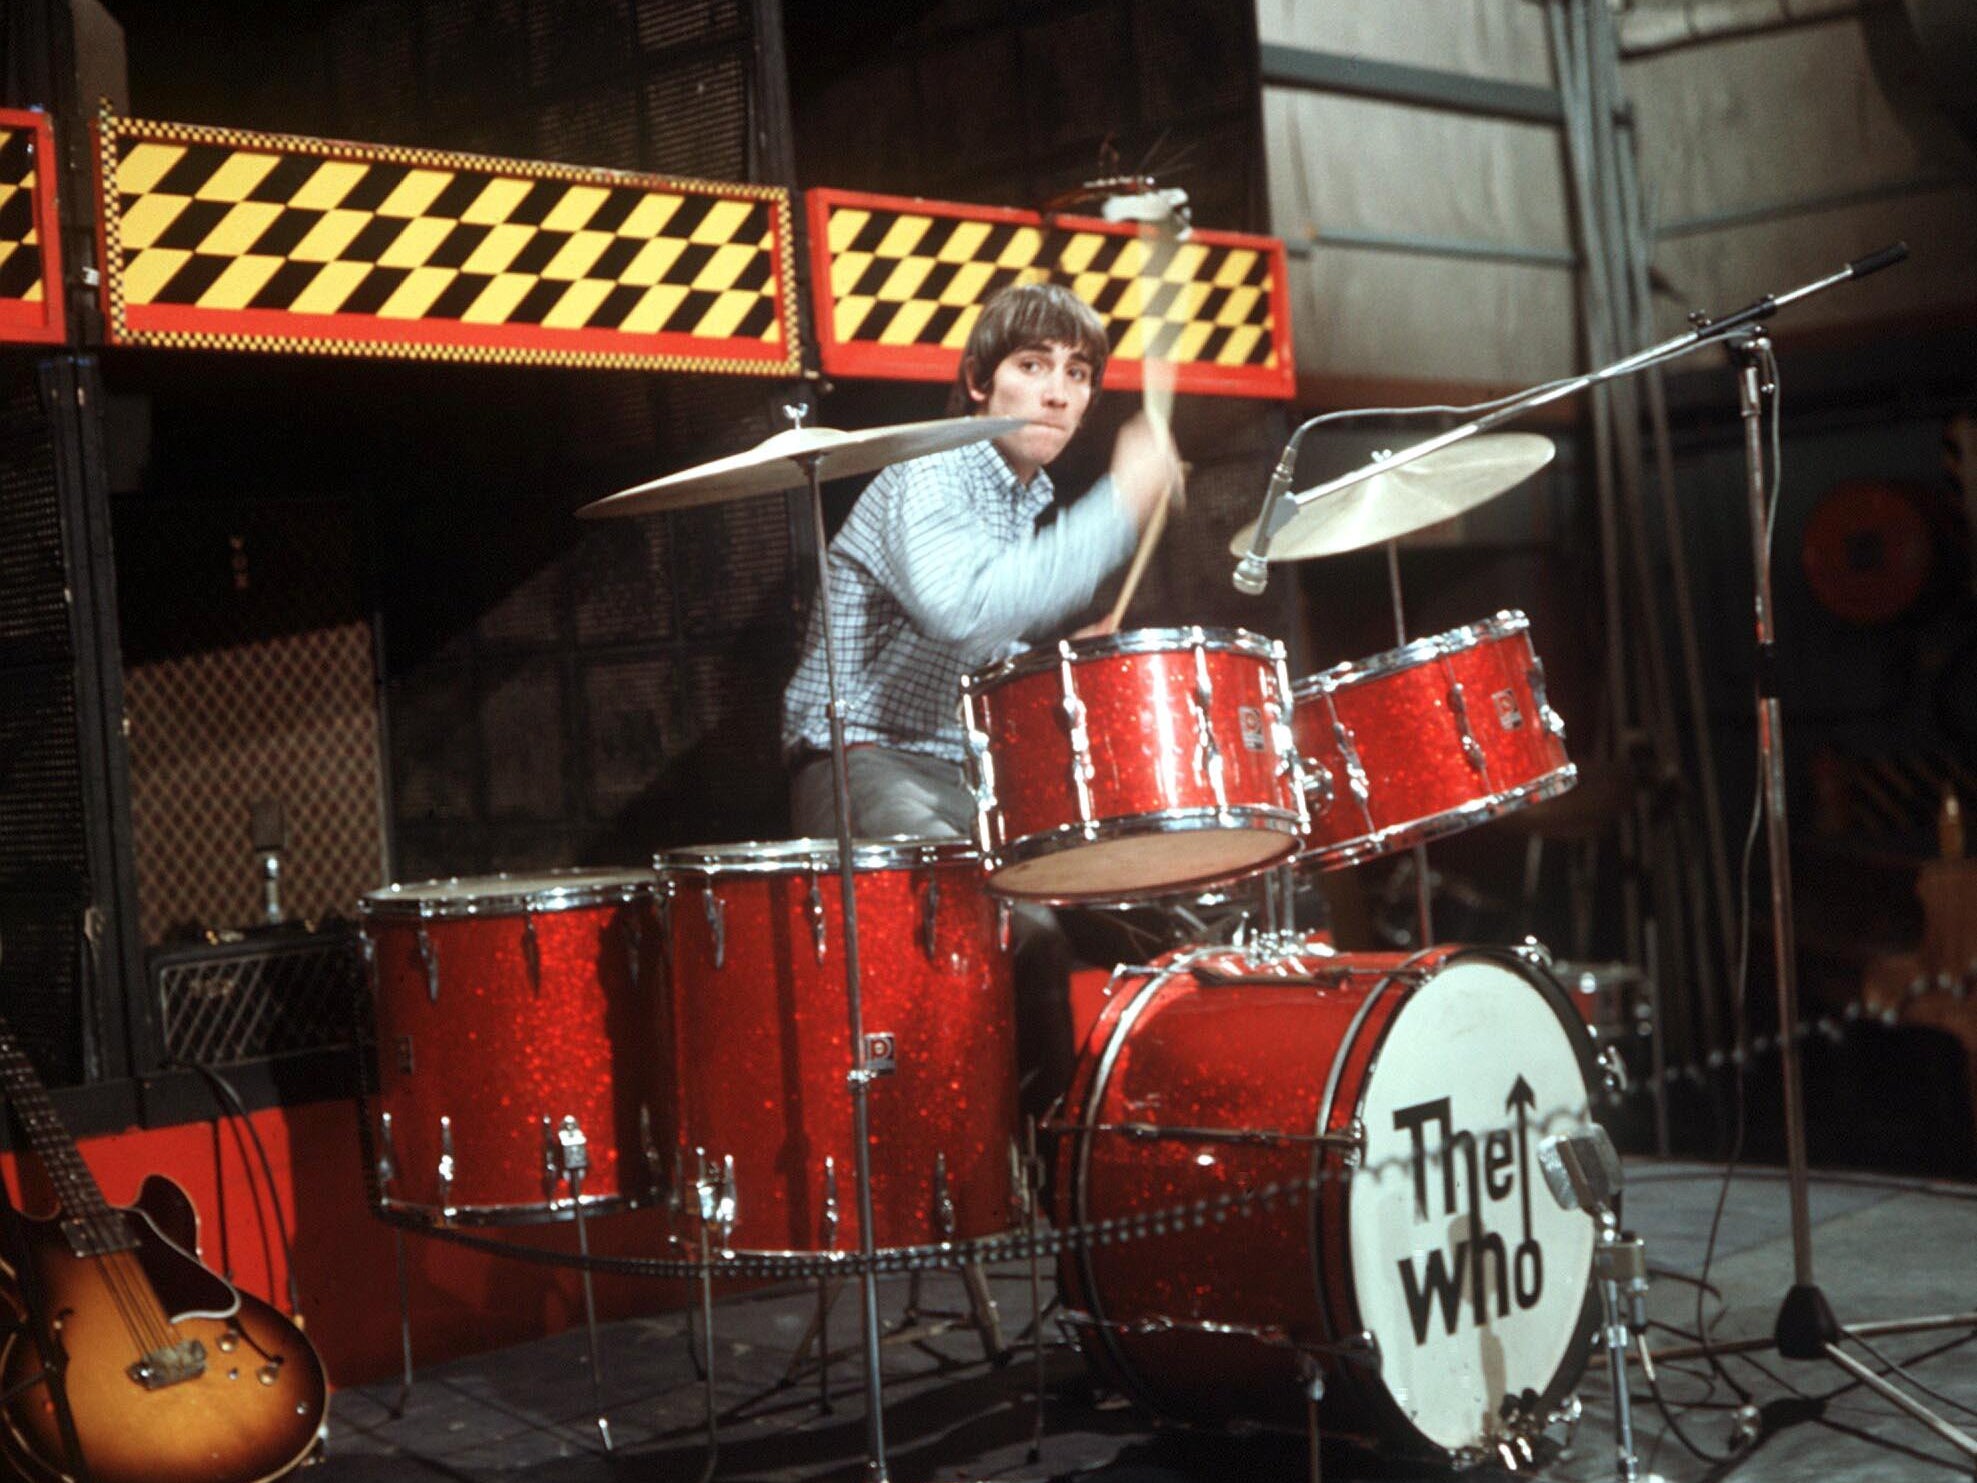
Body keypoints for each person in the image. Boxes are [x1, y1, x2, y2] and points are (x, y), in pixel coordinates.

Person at [782, 280, 1181, 1115]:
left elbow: (974, 644)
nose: (1056, 391)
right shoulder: (931, 470)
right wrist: (1118, 506)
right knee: (1017, 934)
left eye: (1076, 374)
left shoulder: (1014, 497)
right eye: (1032, 365)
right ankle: (1021, 1187)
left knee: (1153, 916)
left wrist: (1055, 658)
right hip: (861, 763)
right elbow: (961, 615)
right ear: (977, 382)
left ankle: (1117, 1155)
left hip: (956, 777)